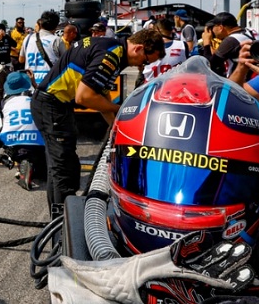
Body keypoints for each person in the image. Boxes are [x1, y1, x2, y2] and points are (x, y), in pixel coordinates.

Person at [31, 26, 165, 217]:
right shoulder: (111, 54)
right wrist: (120, 110)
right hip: (51, 105)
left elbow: (101, 98)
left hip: (56, 105)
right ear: (139, 48)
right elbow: (84, 97)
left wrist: (116, 127)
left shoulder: (112, 49)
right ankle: (61, 227)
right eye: (144, 60)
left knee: (60, 166)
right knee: (64, 170)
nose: (141, 67)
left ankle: (59, 221)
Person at [20, 9, 65, 90]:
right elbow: (65, 63)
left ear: (41, 23)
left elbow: (21, 59)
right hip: (49, 85)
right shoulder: (57, 40)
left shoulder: (28, 38)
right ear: (56, 25)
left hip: (29, 84)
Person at [206, 12, 254, 77]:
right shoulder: (251, 31)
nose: (212, 31)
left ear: (220, 28)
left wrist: (206, 43)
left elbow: (210, 64)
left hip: (239, 82)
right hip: (255, 77)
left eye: (212, 27)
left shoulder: (231, 40)